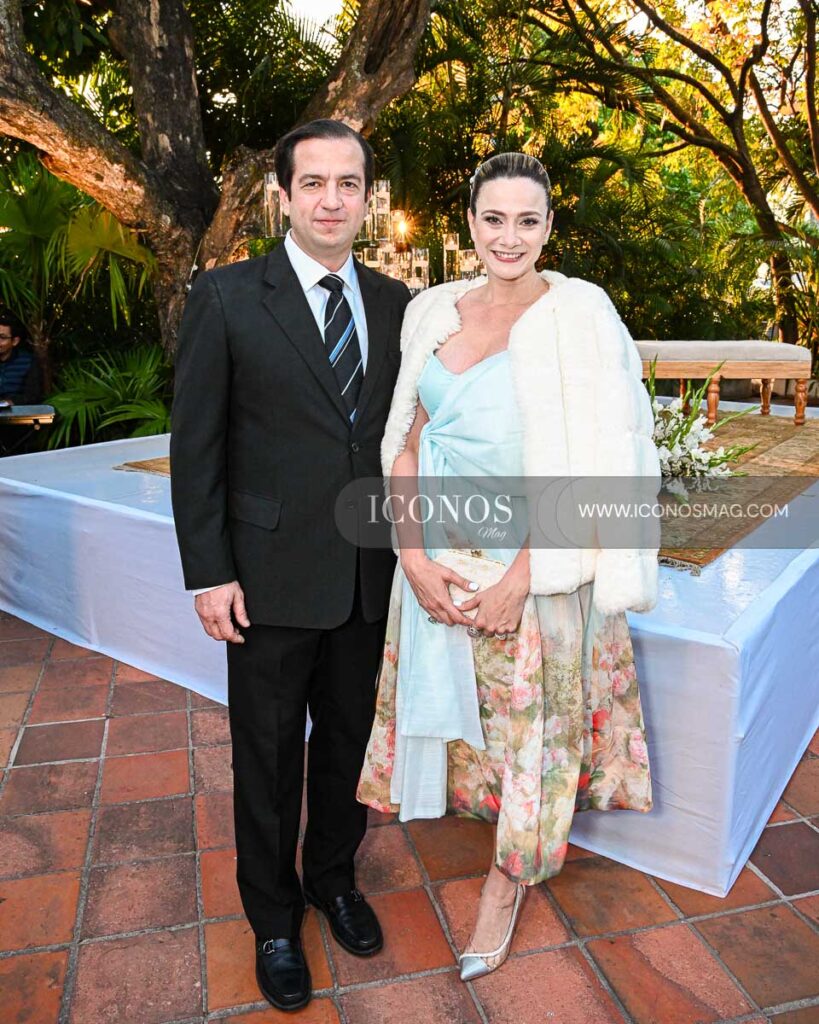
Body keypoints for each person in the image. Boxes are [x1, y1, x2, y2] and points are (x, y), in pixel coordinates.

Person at [357, 152, 660, 980]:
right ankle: (487, 834)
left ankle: (508, 877)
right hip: (436, 556)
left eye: (528, 220)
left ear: (550, 228)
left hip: (538, 570)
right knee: (470, 722)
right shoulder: (430, 313)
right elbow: (407, 443)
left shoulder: (579, 315)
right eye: (494, 218)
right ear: (469, 224)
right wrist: (412, 558)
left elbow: (600, 462)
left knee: (533, 732)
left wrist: (520, 580)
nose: (509, 237)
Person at [170, 119, 412, 1012]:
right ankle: (274, 918)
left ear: (367, 199)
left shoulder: (395, 305)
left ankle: (333, 881)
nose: (330, 199)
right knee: (267, 758)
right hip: (265, 582)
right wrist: (209, 572)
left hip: (367, 578)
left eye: (348, 183)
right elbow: (196, 447)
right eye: (312, 183)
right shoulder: (228, 297)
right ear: (282, 195)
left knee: (346, 747)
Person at [0, 314, 43, 406]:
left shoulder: (28, 362)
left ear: (15, 341)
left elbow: (33, 396)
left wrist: (9, 402)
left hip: (18, 415)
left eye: (2, 338)